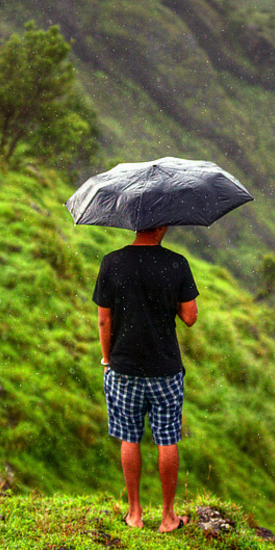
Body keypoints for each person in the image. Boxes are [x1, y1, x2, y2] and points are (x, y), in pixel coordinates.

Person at [92, 224, 198, 532]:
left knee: (130, 436)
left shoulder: (112, 262)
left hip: (123, 366)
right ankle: (168, 517)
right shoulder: (176, 263)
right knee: (167, 438)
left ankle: (135, 514)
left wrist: (108, 359)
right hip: (165, 368)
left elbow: (103, 318)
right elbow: (190, 317)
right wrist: (169, 301)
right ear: (161, 225)